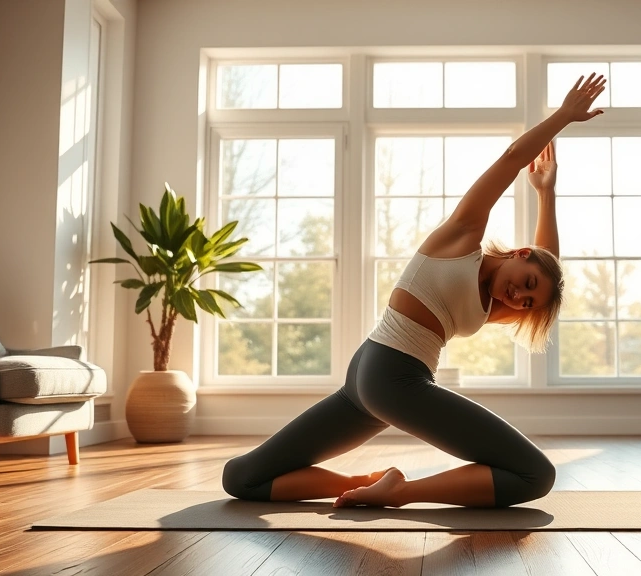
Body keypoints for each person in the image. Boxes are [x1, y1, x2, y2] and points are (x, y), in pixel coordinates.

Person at [221, 73, 607, 509]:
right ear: (520, 253)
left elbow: (549, 269)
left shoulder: (493, 305)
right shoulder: (460, 240)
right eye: (527, 285)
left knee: (243, 477)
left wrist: (546, 196)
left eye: (528, 302)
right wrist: (562, 117)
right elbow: (512, 159)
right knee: (535, 474)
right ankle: (397, 493)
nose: (520, 298)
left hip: (372, 379)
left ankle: (369, 484)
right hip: (389, 376)